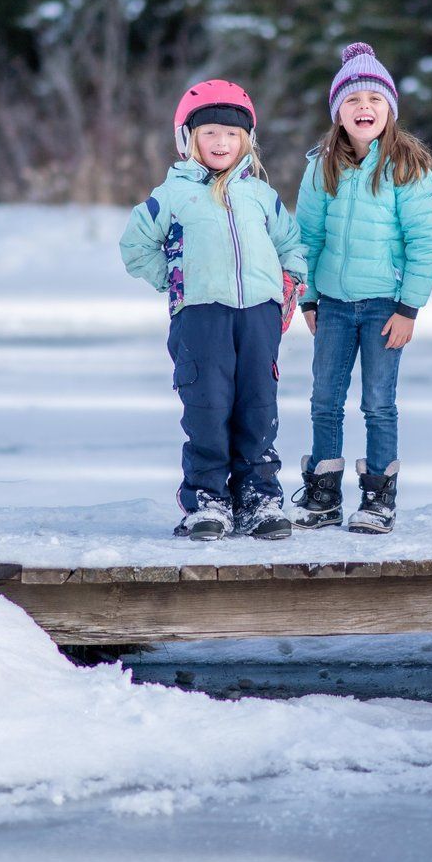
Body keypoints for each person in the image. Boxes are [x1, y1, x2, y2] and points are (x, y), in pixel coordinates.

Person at [120, 80, 306, 541]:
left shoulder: (261, 196)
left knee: (258, 407)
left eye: (231, 134)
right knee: (207, 407)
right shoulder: (173, 194)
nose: (221, 142)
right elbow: (135, 246)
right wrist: (172, 278)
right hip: (200, 318)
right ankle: (208, 500)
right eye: (209, 133)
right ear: (188, 139)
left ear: (247, 140)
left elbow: (291, 244)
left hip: (259, 317)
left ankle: (258, 498)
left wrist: (289, 283)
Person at [293, 43, 432, 534]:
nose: (364, 108)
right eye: (353, 99)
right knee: (324, 400)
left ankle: (378, 498)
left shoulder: (406, 166)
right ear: (338, 111)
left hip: (385, 305)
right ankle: (323, 494)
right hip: (332, 305)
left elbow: (424, 240)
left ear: (390, 111)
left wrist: (409, 308)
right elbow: (308, 237)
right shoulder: (322, 166)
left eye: (375, 100)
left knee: (378, 403)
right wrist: (308, 298)